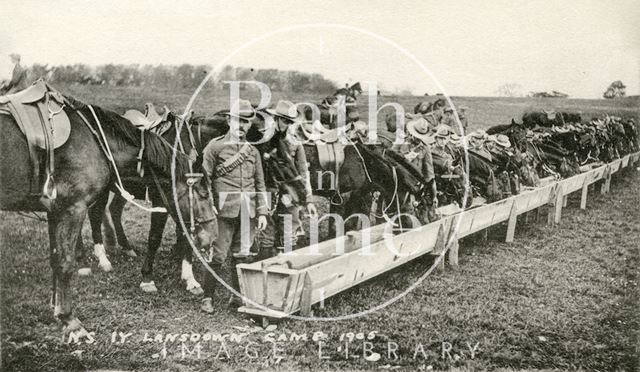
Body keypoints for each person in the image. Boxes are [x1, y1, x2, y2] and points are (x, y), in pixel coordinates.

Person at [200, 99, 269, 313]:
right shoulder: (215, 147)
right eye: (238, 120)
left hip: (247, 212)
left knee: (243, 254)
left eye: (246, 122)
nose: (242, 126)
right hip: (221, 211)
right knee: (218, 255)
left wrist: (263, 212)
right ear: (229, 120)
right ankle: (208, 297)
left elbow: (260, 183)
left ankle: (236, 297)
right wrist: (208, 206)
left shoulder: (253, 151)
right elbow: (204, 180)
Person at [260, 100, 318, 254]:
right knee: (267, 231)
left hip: (289, 191)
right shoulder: (262, 140)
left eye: (289, 122)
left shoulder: (294, 143)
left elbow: (303, 172)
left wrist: (309, 200)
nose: (286, 125)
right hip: (267, 190)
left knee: (289, 229)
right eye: (284, 120)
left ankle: (287, 266)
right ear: (276, 119)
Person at [391, 118, 438, 207]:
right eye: (417, 135)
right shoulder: (400, 142)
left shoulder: (425, 148)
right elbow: (389, 157)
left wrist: (434, 195)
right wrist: (405, 157)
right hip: (398, 181)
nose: (418, 139)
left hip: (414, 185)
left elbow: (429, 174)